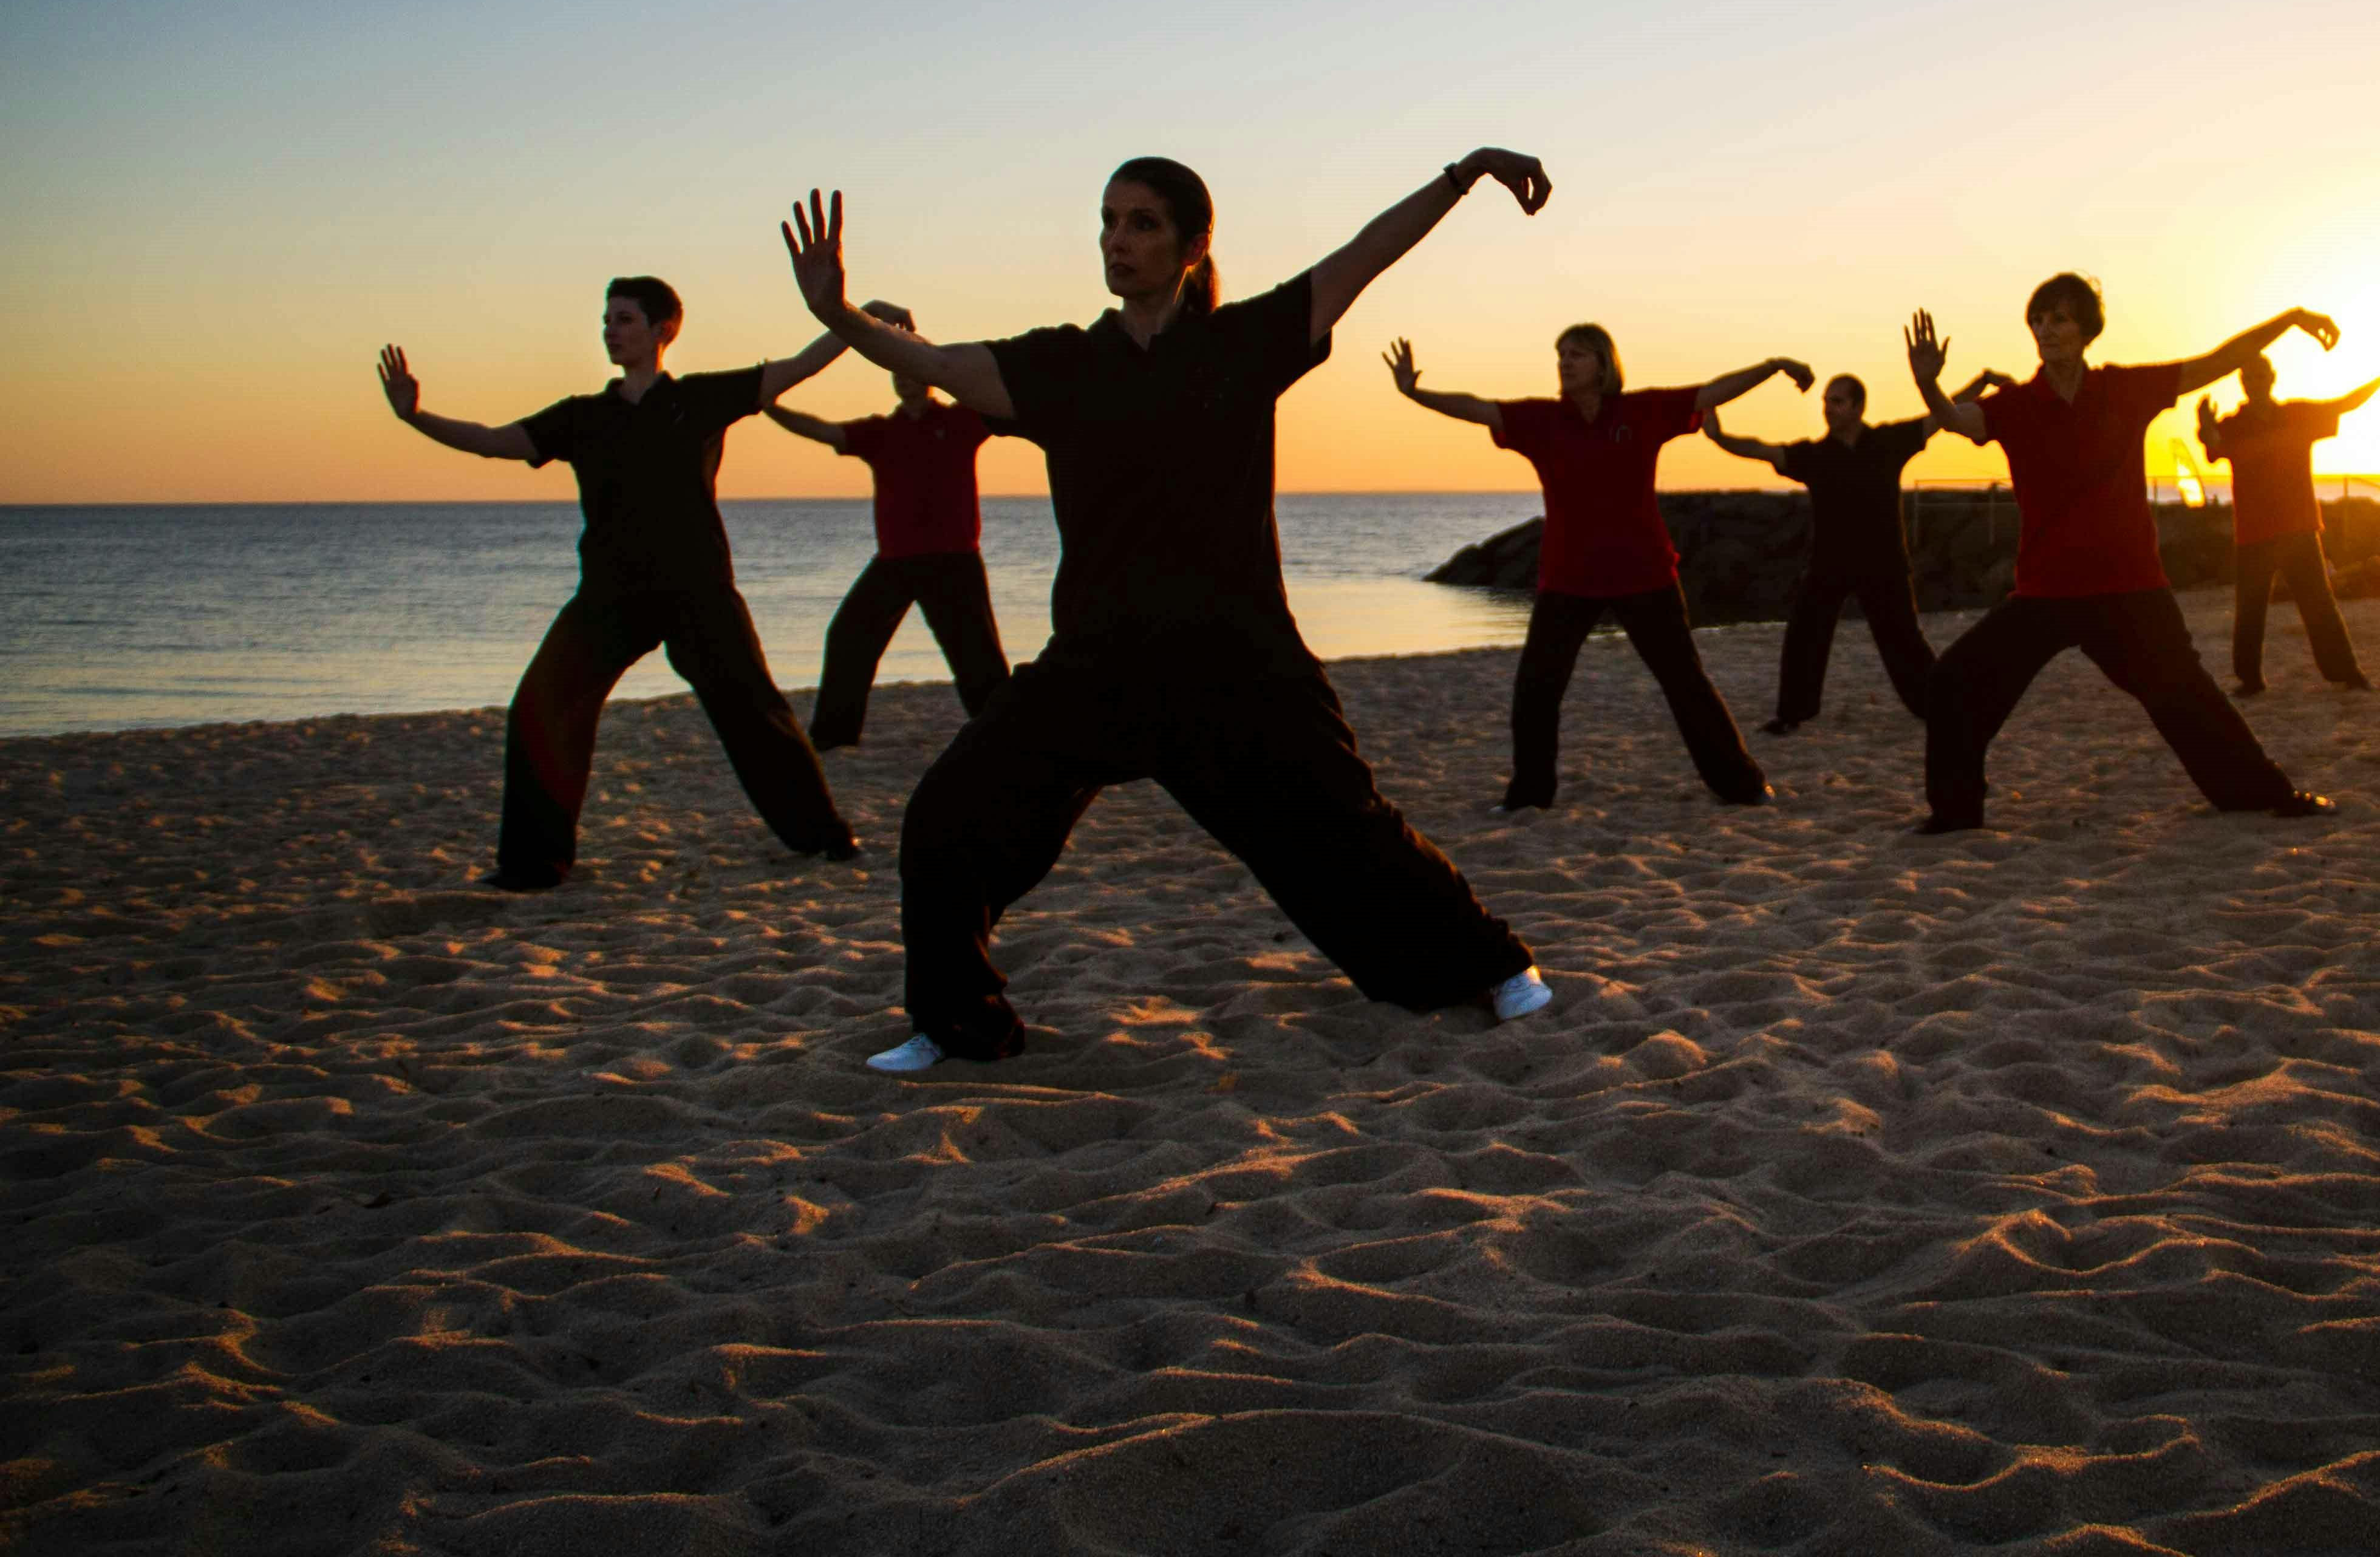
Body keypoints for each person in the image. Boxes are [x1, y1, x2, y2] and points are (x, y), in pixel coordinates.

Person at [779, 152, 1558, 1075]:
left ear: (1193, 245)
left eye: (1142, 223)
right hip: (1096, 664)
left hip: (1237, 660)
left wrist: (1463, 175)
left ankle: (1495, 965)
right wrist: (837, 316)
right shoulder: (1064, 365)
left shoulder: (1243, 344)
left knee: (1344, 831)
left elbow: (1363, 256)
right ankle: (957, 1024)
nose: (1118, 241)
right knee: (947, 818)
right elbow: (936, 361)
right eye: (1109, 222)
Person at [373, 281, 859, 891]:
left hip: (698, 593)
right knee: (540, 708)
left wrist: (851, 319)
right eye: (606, 320)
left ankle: (824, 838)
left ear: (663, 331)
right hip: (608, 598)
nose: (610, 330)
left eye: (624, 319)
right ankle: (533, 866)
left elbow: (796, 368)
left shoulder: (701, 400)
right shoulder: (583, 416)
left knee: (756, 713)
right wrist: (415, 416)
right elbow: (494, 442)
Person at [1906, 274, 2337, 831]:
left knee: (2185, 694)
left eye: (2059, 318)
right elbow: (1961, 422)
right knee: (1955, 681)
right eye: (2038, 320)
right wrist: (1929, 388)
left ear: (2086, 329)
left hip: (2129, 588)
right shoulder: (2017, 405)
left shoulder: (2124, 391)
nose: (2047, 330)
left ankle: (2261, 795)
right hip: (2046, 592)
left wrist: (2293, 317)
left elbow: (2218, 359)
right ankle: (1954, 814)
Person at [1387, 329, 1809, 809]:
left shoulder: (1640, 412)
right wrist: (1415, 393)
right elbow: (1477, 408)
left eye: (1577, 354)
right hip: (1568, 580)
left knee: (1685, 682)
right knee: (1536, 688)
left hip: (1645, 574)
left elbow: (1712, 391)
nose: (1565, 363)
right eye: (1561, 355)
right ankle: (1529, 797)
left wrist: (1774, 364)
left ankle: (1743, 786)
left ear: (1604, 365)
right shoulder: (1542, 420)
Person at [761, 302, 1011, 750]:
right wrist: (769, 406)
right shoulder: (880, 433)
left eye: (910, 369)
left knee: (978, 661)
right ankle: (834, 738)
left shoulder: (961, 420)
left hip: (954, 562)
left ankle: (1008, 737)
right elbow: (821, 431)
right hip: (895, 562)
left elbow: (1005, 397)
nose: (904, 378)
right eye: (896, 372)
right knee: (848, 637)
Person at [1698, 374, 1949, 734]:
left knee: (1903, 639)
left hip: (1883, 562)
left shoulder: (1887, 443)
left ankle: (1935, 706)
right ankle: (1791, 715)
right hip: (1829, 564)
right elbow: (1762, 449)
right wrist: (1721, 438)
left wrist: (1981, 383)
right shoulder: (1815, 456)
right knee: (1805, 635)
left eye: (1838, 402)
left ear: (1859, 406)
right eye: (1826, 402)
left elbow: (1940, 415)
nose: (1828, 410)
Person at [2194, 361, 2380, 695]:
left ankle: (2346, 672)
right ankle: (2250, 680)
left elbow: (2342, 404)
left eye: (2259, 376)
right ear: (2243, 384)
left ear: (2271, 379)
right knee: (2250, 609)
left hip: (2299, 528)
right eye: (2249, 378)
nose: (2254, 383)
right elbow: (2214, 446)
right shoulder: (2234, 425)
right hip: (2255, 532)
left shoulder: (2298, 415)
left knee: (2319, 604)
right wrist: (2206, 425)